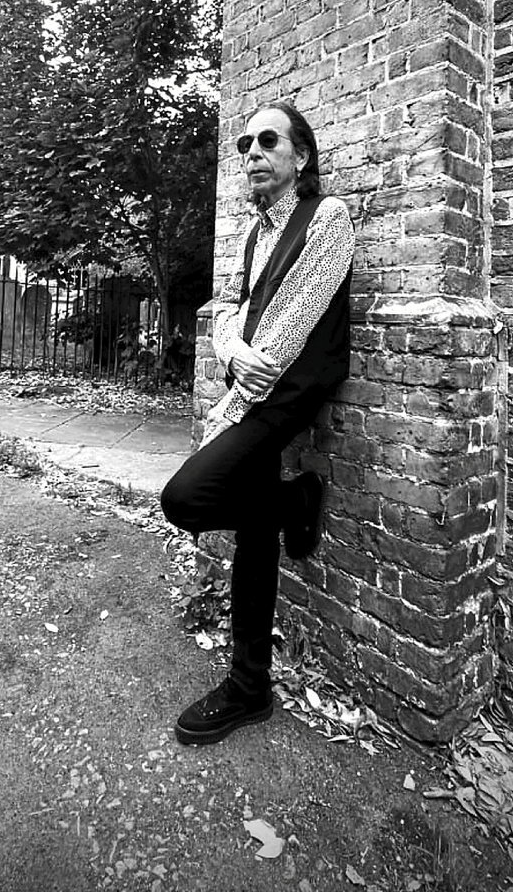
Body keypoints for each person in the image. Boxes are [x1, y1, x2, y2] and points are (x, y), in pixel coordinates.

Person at [161, 99, 355, 745]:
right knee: (253, 527)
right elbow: (228, 306)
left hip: (286, 391)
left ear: (301, 154)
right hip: (252, 384)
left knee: (186, 498)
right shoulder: (253, 232)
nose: (251, 153)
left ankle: (292, 501)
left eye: (267, 141)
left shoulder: (326, 217)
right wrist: (226, 347)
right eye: (244, 143)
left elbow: (289, 326)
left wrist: (231, 400)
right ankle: (250, 688)